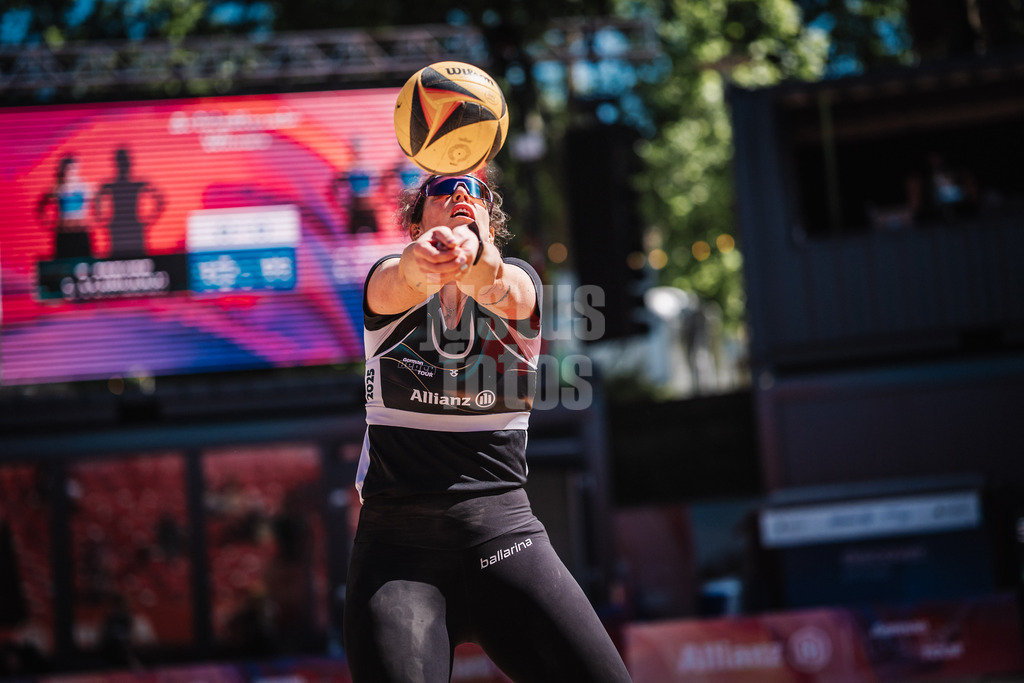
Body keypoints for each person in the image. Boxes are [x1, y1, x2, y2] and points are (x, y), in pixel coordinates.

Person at [344, 170, 632, 682]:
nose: (460, 194)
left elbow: (496, 283)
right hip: (396, 551)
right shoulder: (389, 280)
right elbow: (406, 277)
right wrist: (424, 265)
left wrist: (472, 261)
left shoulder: (519, 282)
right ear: (414, 226)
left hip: (504, 536)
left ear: (490, 229)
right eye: (442, 189)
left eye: (475, 191)